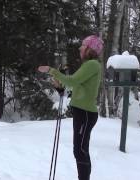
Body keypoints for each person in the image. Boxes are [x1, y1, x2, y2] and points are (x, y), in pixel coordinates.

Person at [38, 35, 103, 180]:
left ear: (90, 49)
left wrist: (51, 70)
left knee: (80, 150)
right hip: (82, 113)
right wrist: (61, 90)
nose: (80, 47)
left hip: (86, 114)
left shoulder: (92, 65)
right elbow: (78, 86)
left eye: (83, 45)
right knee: (80, 150)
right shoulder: (88, 65)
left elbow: (72, 81)